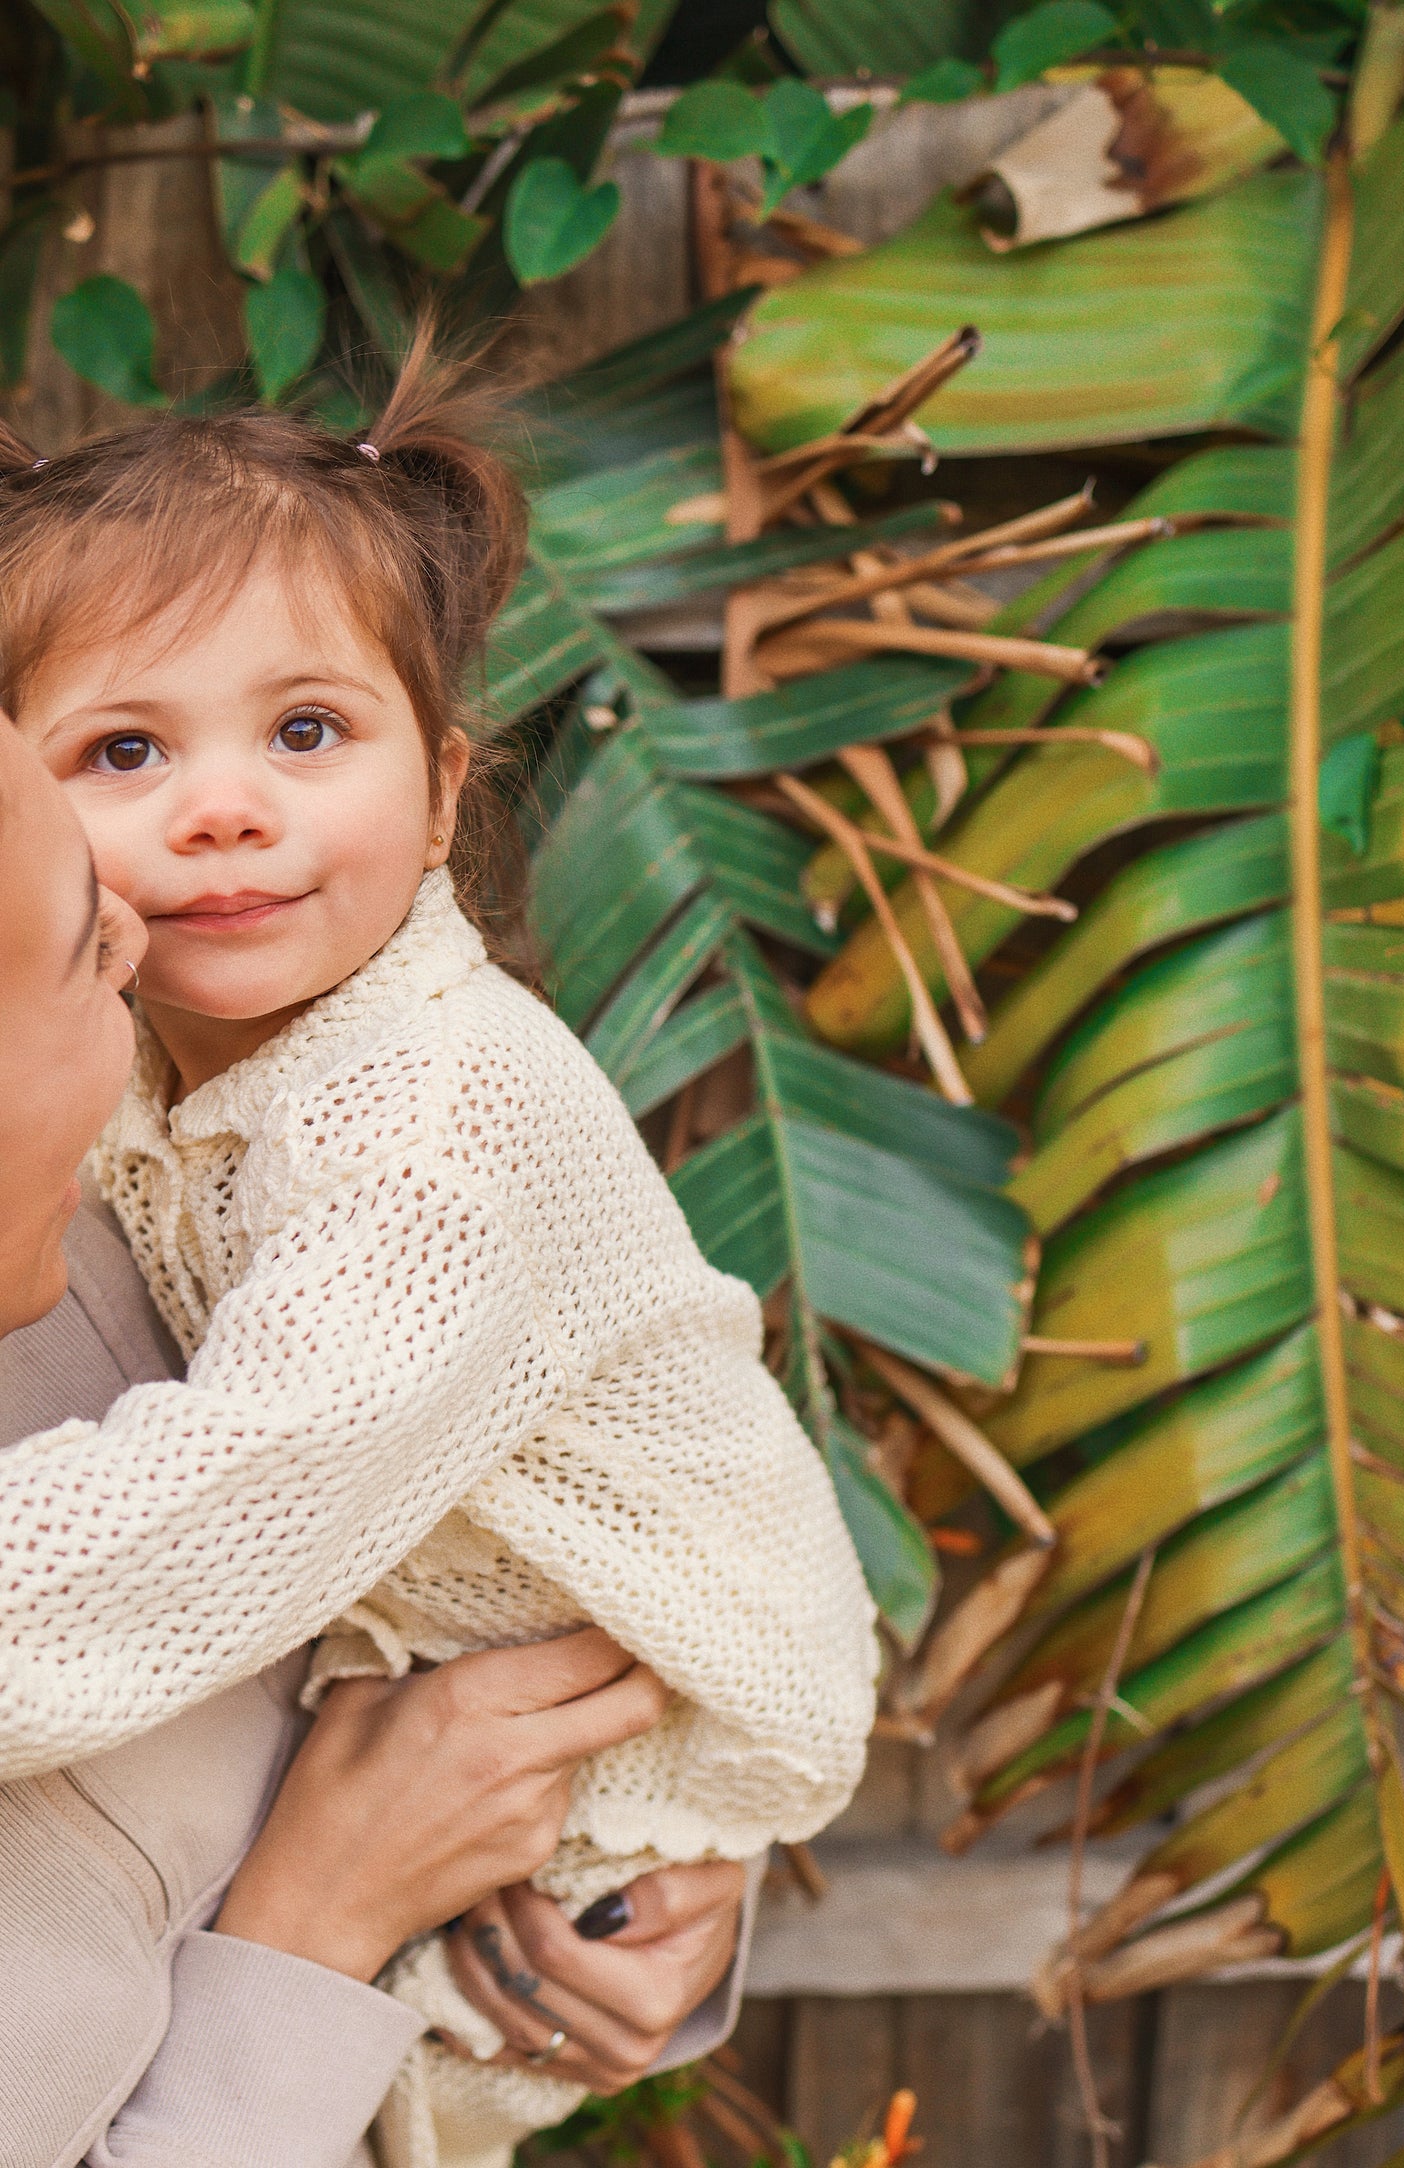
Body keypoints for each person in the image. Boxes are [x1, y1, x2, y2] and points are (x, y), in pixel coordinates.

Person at [1, 329, 875, 2167]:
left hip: (622, 1715)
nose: (225, 805)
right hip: (417, 1733)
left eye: (306, 731)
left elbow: (225, 1514)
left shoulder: (436, 1134)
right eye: (126, 749)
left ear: (445, 794)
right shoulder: (150, 1063)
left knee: (458, 2065)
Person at [0, 716, 758, 2168]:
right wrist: (317, 1929)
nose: (129, 950)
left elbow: (478, 1532)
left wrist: (646, 1853)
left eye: (306, 729)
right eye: (73, 948)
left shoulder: (125, 1211)